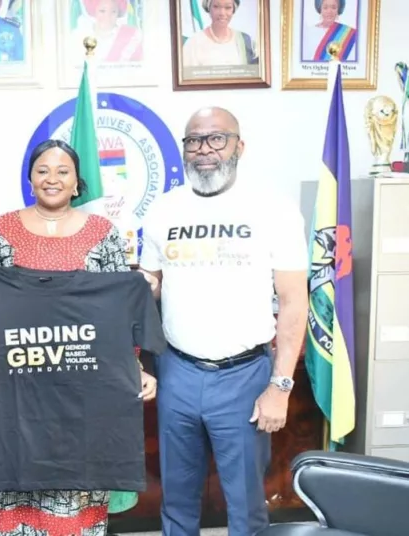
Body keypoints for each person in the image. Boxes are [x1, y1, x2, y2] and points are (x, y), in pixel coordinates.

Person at [0, 139, 158, 536]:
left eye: (62, 171)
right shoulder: (1, 230)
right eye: (43, 170)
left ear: (77, 182)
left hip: (82, 390)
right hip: (17, 389)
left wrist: (134, 367)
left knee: (79, 480)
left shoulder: (103, 233)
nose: (52, 179)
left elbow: (117, 313)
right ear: (30, 178)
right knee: (14, 477)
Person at [139, 107, 308, 536]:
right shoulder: (162, 211)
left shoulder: (274, 208)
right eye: (194, 141)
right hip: (177, 372)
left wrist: (280, 386)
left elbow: (292, 303)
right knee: (176, 498)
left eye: (217, 139)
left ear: (239, 146)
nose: (204, 150)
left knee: (246, 504)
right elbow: (150, 287)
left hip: (245, 376)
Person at [182, 0, 258, 67]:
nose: (222, 13)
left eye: (228, 7)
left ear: (233, 10)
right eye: (216, 6)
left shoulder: (246, 41)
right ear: (209, 8)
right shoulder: (193, 43)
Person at [72, 0, 143, 63]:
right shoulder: (79, 36)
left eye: (113, 11)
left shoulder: (132, 37)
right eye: (102, 11)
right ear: (94, 10)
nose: (107, 16)